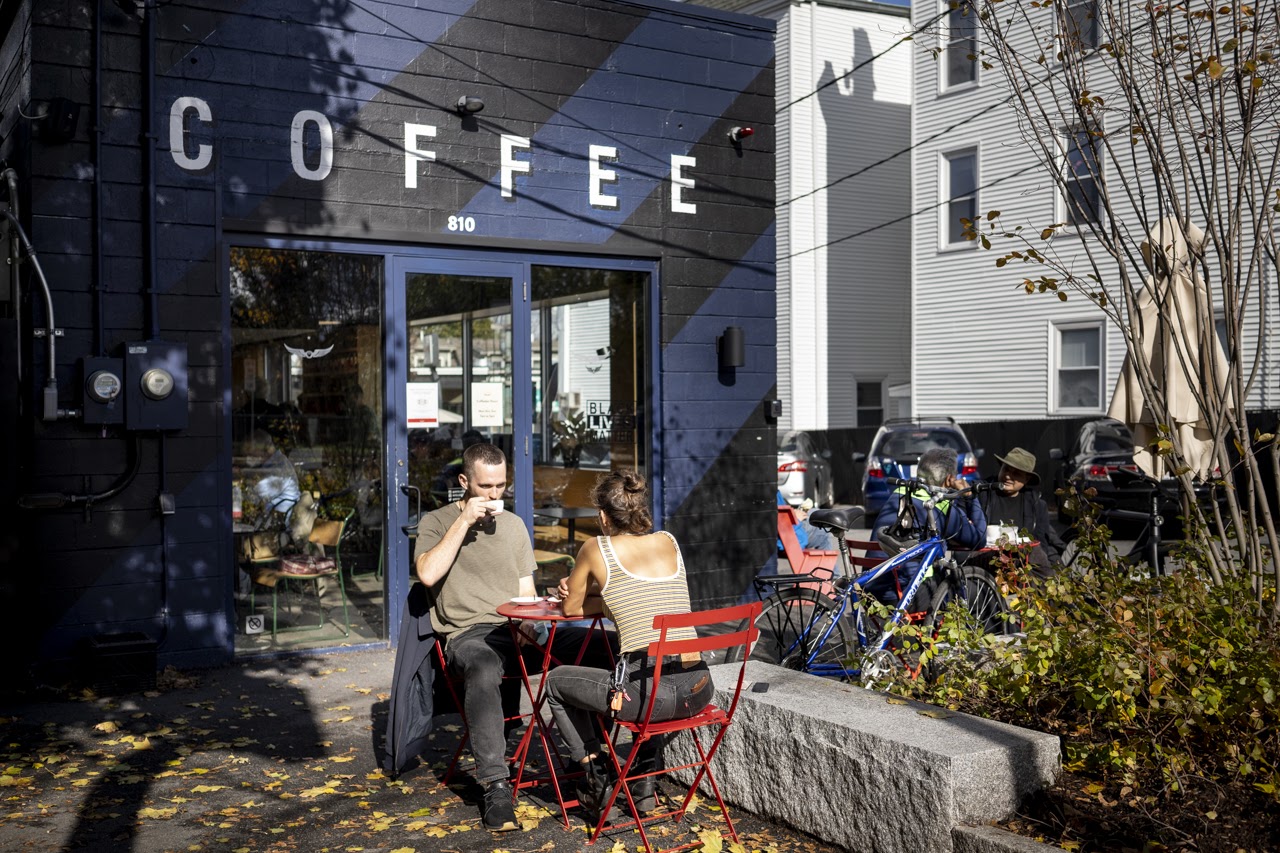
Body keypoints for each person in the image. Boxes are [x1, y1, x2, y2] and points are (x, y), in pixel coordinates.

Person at [413, 443, 607, 832]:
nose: (494, 495)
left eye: (501, 486)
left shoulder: (515, 525)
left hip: (515, 630)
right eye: (485, 486)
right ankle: (496, 785)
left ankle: (591, 760)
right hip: (468, 635)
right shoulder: (436, 522)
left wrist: (530, 620)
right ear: (464, 482)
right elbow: (428, 574)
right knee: (484, 666)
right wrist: (464, 521)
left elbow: (524, 590)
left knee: (602, 647)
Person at [544, 470, 712, 824]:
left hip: (650, 695)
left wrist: (581, 590)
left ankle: (595, 771)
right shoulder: (669, 541)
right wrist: (603, 597)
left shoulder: (595, 548)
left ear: (603, 516)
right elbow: (640, 596)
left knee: (557, 682)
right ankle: (643, 787)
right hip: (698, 687)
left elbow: (571, 610)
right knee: (647, 685)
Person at [870, 446, 986, 596]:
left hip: (871, 589)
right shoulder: (939, 506)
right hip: (908, 593)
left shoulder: (898, 494)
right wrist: (970, 496)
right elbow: (979, 538)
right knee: (979, 592)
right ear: (950, 479)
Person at [978, 447, 1067, 579]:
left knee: (1054, 575)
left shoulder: (1037, 505)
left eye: (1016, 473)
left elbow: (1040, 543)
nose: (1008, 476)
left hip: (1023, 561)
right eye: (1006, 469)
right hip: (987, 558)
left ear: (1027, 479)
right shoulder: (984, 492)